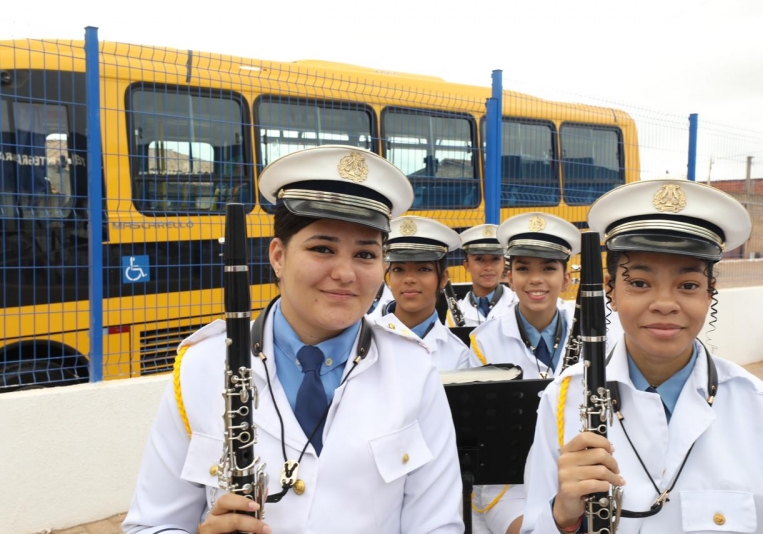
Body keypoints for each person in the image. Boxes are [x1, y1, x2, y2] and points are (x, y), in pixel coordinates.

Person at [122, 146, 463, 534]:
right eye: (322, 249)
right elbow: (151, 525)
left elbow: (437, 526)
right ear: (278, 256)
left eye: (366, 255)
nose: (345, 273)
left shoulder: (414, 368)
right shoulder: (201, 367)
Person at [521, 179, 763, 534]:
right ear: (610, 291)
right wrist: (561, 517)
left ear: (710, 293)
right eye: (639, 283)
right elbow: (533, 525)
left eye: (688, 285)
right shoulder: (563, 397)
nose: (665, 304)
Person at [468, 212, 582, 534]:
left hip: (579, 475)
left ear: (566, 278)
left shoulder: (595, 333)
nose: (535, 279)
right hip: (510, 485)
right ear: (509, 277)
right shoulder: (484, 341)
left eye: (548, 268)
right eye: (523, 269)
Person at [369, 216, 471, 371]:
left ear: (443, 278)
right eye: (398, 269)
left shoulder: (458, 353)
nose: (409, 279)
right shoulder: (364, 339)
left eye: (423, 269)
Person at [447, 224, 517, 327]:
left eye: (495, 259)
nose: (488, 267)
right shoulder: (453, 315)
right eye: (479, 259)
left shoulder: (521, 305)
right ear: (466, 265)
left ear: (503, 263)